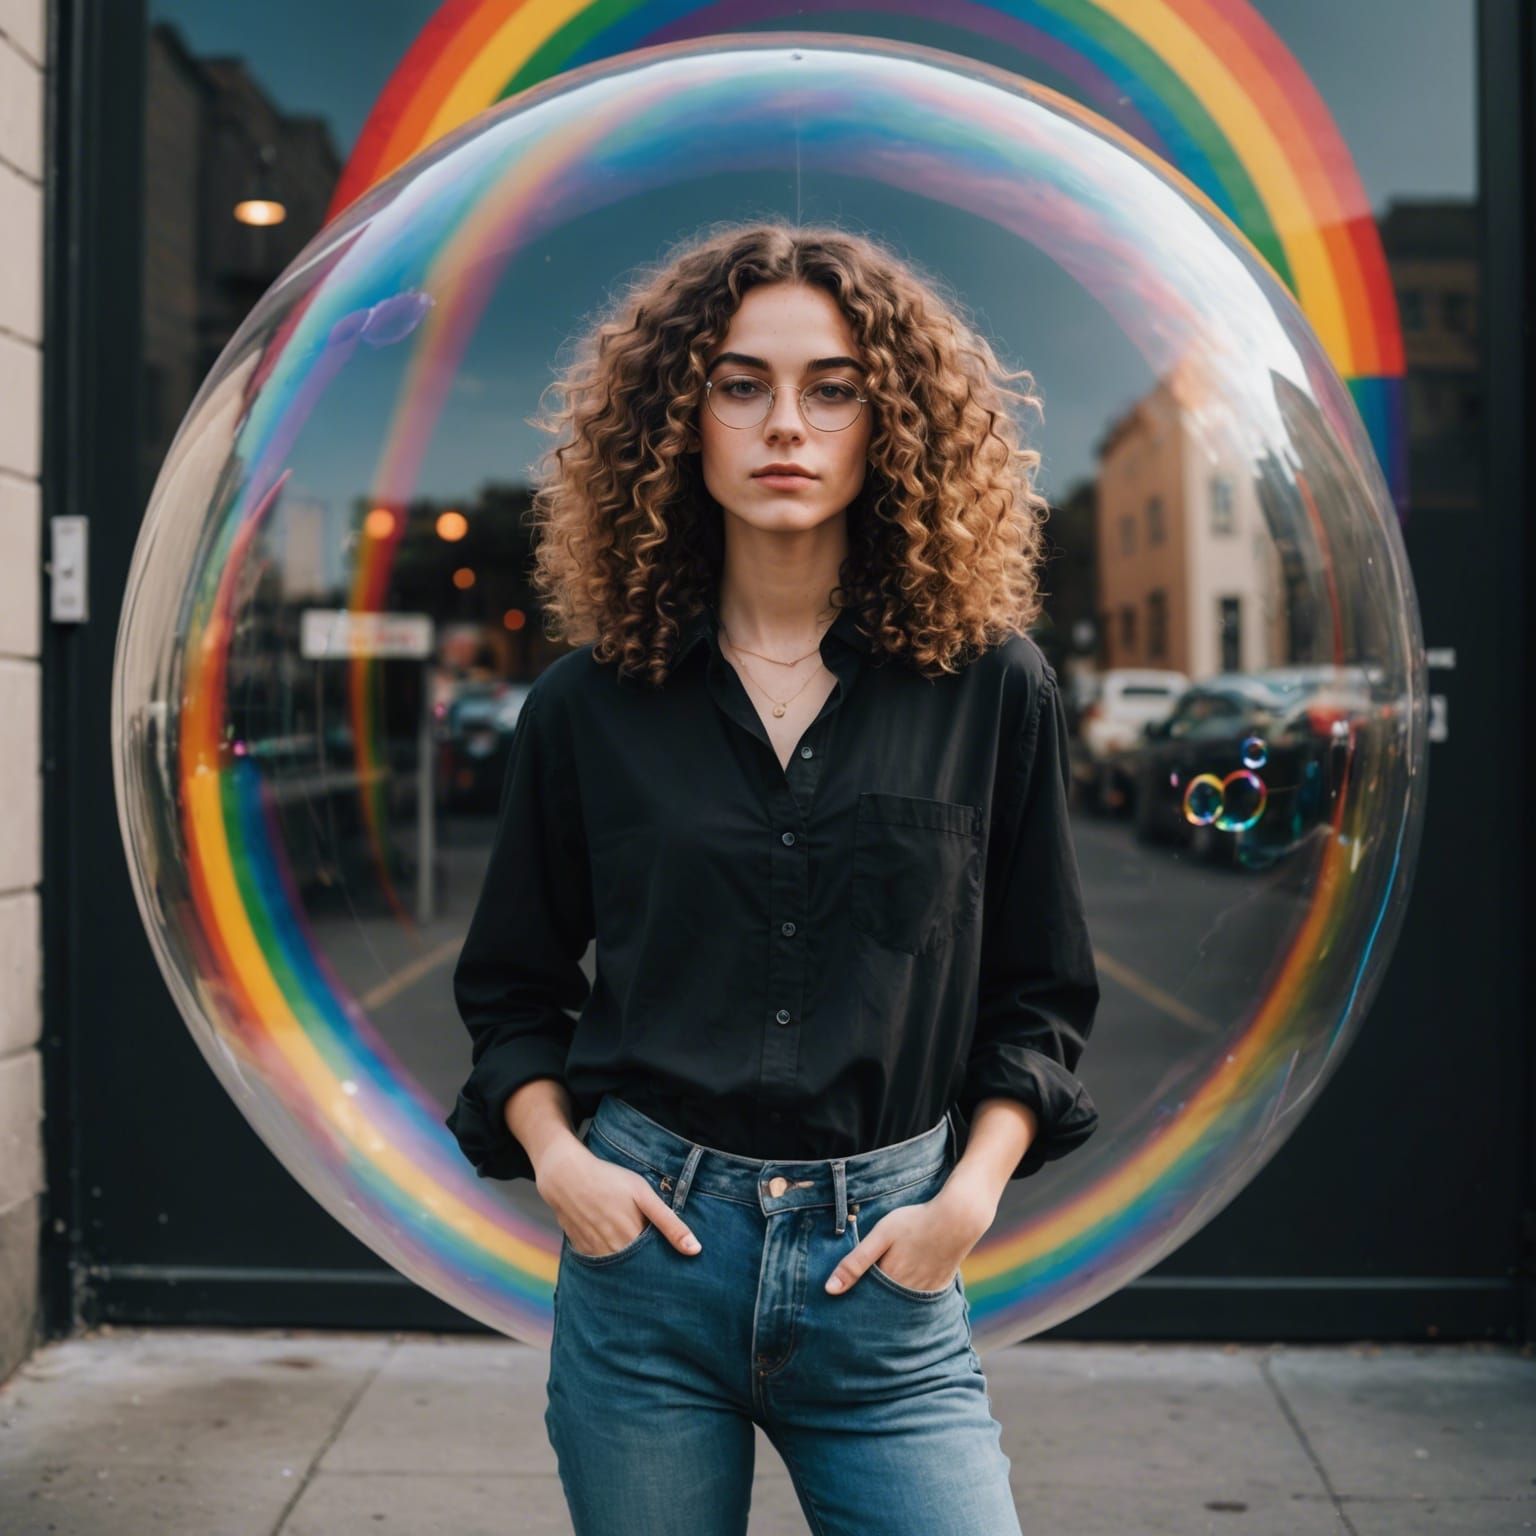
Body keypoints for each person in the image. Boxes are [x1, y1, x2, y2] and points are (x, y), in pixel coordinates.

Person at [445, 221, 1101, 1535]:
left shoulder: (992, 691)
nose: (784, 424)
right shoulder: (588, 705)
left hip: (890, 1278)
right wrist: (563, 1164)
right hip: (647, 1275)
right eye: (740, 385)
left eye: (834, 386)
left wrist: (961, 1207)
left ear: (894, 422)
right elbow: (512, 987)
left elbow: (1039, 994)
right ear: (678, 424)